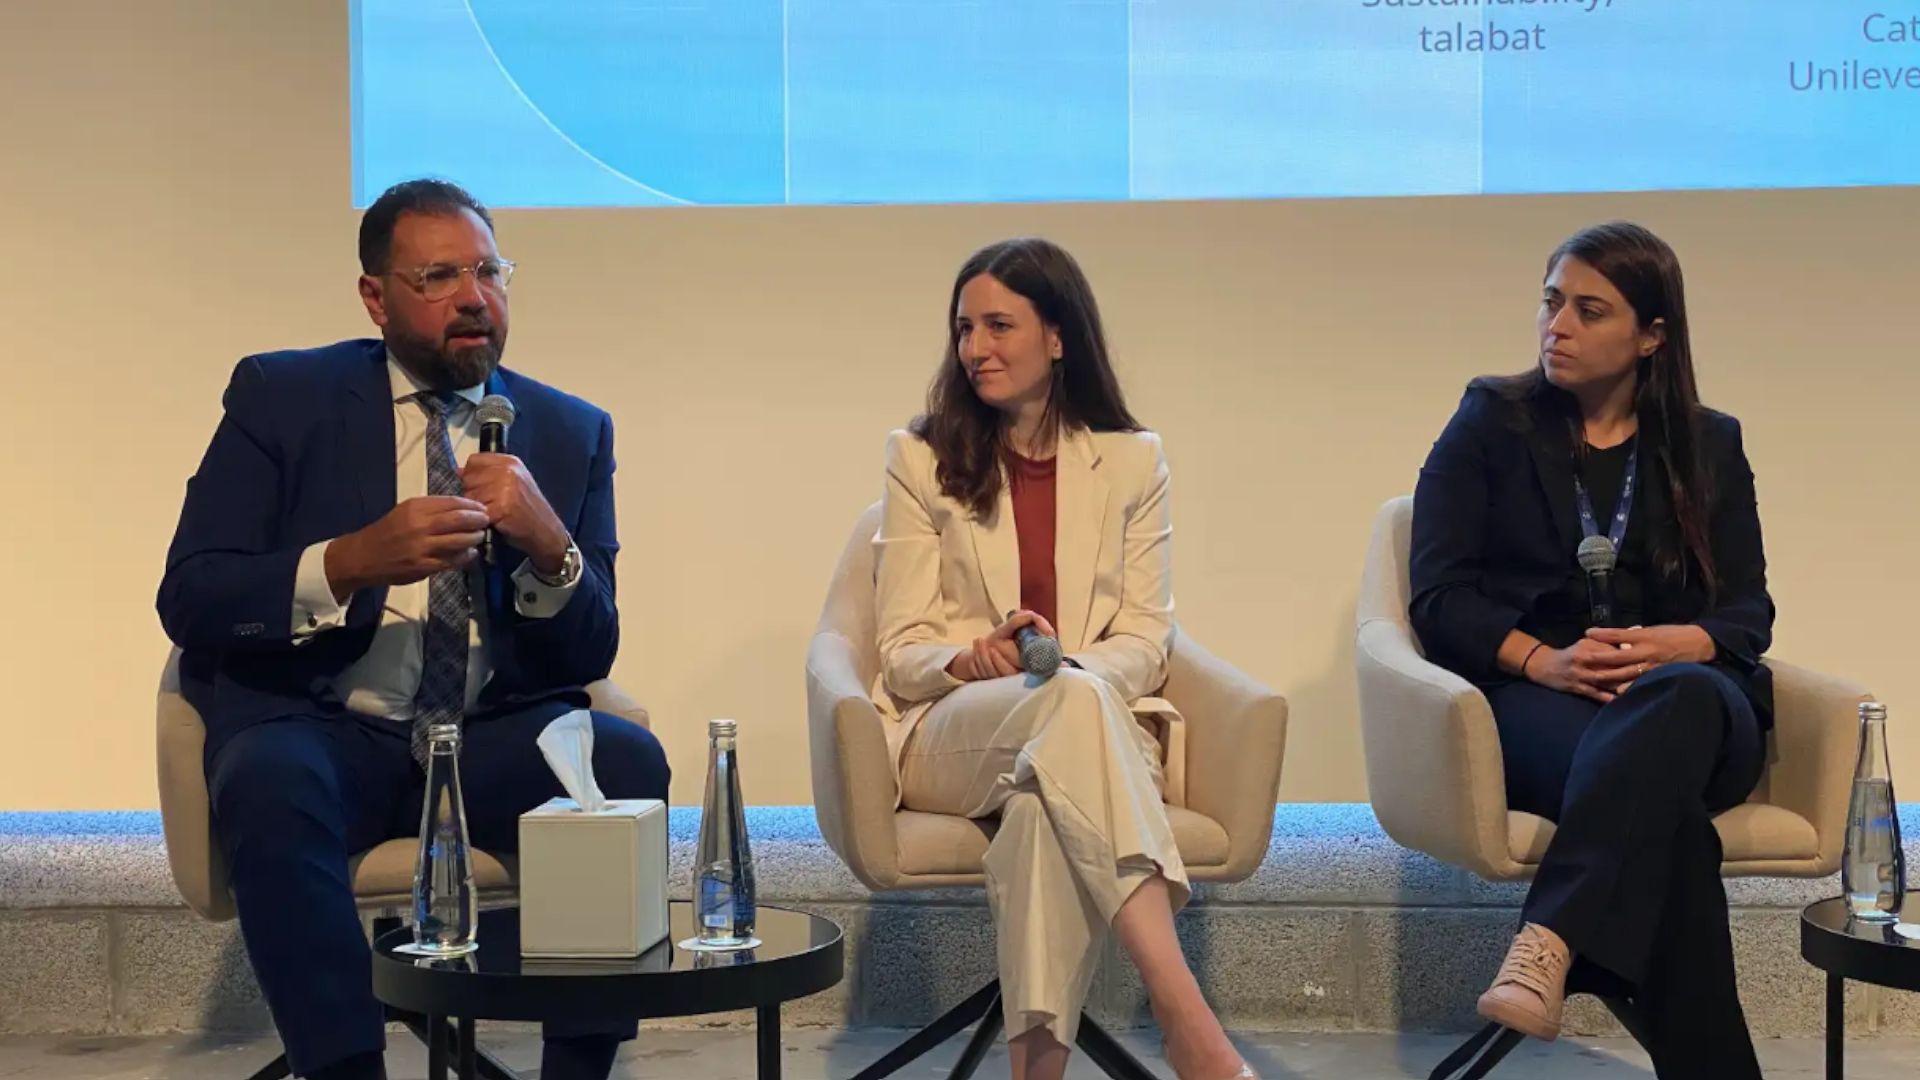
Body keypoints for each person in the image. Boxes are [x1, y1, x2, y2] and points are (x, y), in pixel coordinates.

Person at [156, 179, 668, 1080]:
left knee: (625, 762)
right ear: (375, 297)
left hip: (483, 736)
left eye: (488, 271)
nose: (474, 298)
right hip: (325, 724)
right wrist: (351, 560)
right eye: (438, 276)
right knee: (271, 779)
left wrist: (552, 548)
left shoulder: (567, 429)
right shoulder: (284, 395)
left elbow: (590, 652)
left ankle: (578, 1071)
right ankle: (346, 1067)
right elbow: (192, 595)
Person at [871, 237, 1255, 1080]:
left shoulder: (1131, 461)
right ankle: (1183, 1012)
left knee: (1048, 807)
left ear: (1058, 336)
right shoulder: (920, 456)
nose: (975, 348)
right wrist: (970, 659)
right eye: (964, 327)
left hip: (1076, 733)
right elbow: (900, 652)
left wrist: (1070, 673)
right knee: (1070, 706)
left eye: (999, 325)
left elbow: (1147, 637)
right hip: (954, 734)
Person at [1409, 221, 1773, 1077]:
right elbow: (1437, 597)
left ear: (1651, 336)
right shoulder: (1490, 422)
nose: (1556, 326)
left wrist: (1687, 642)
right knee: (1670, 830)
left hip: (1692, 700)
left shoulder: (1709, 442)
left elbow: (1750, 609)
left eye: (1588, 309)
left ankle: (1550, 937)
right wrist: (1544, 661)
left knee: (1673, 705)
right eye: (1550, 301)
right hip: (1547, 703)